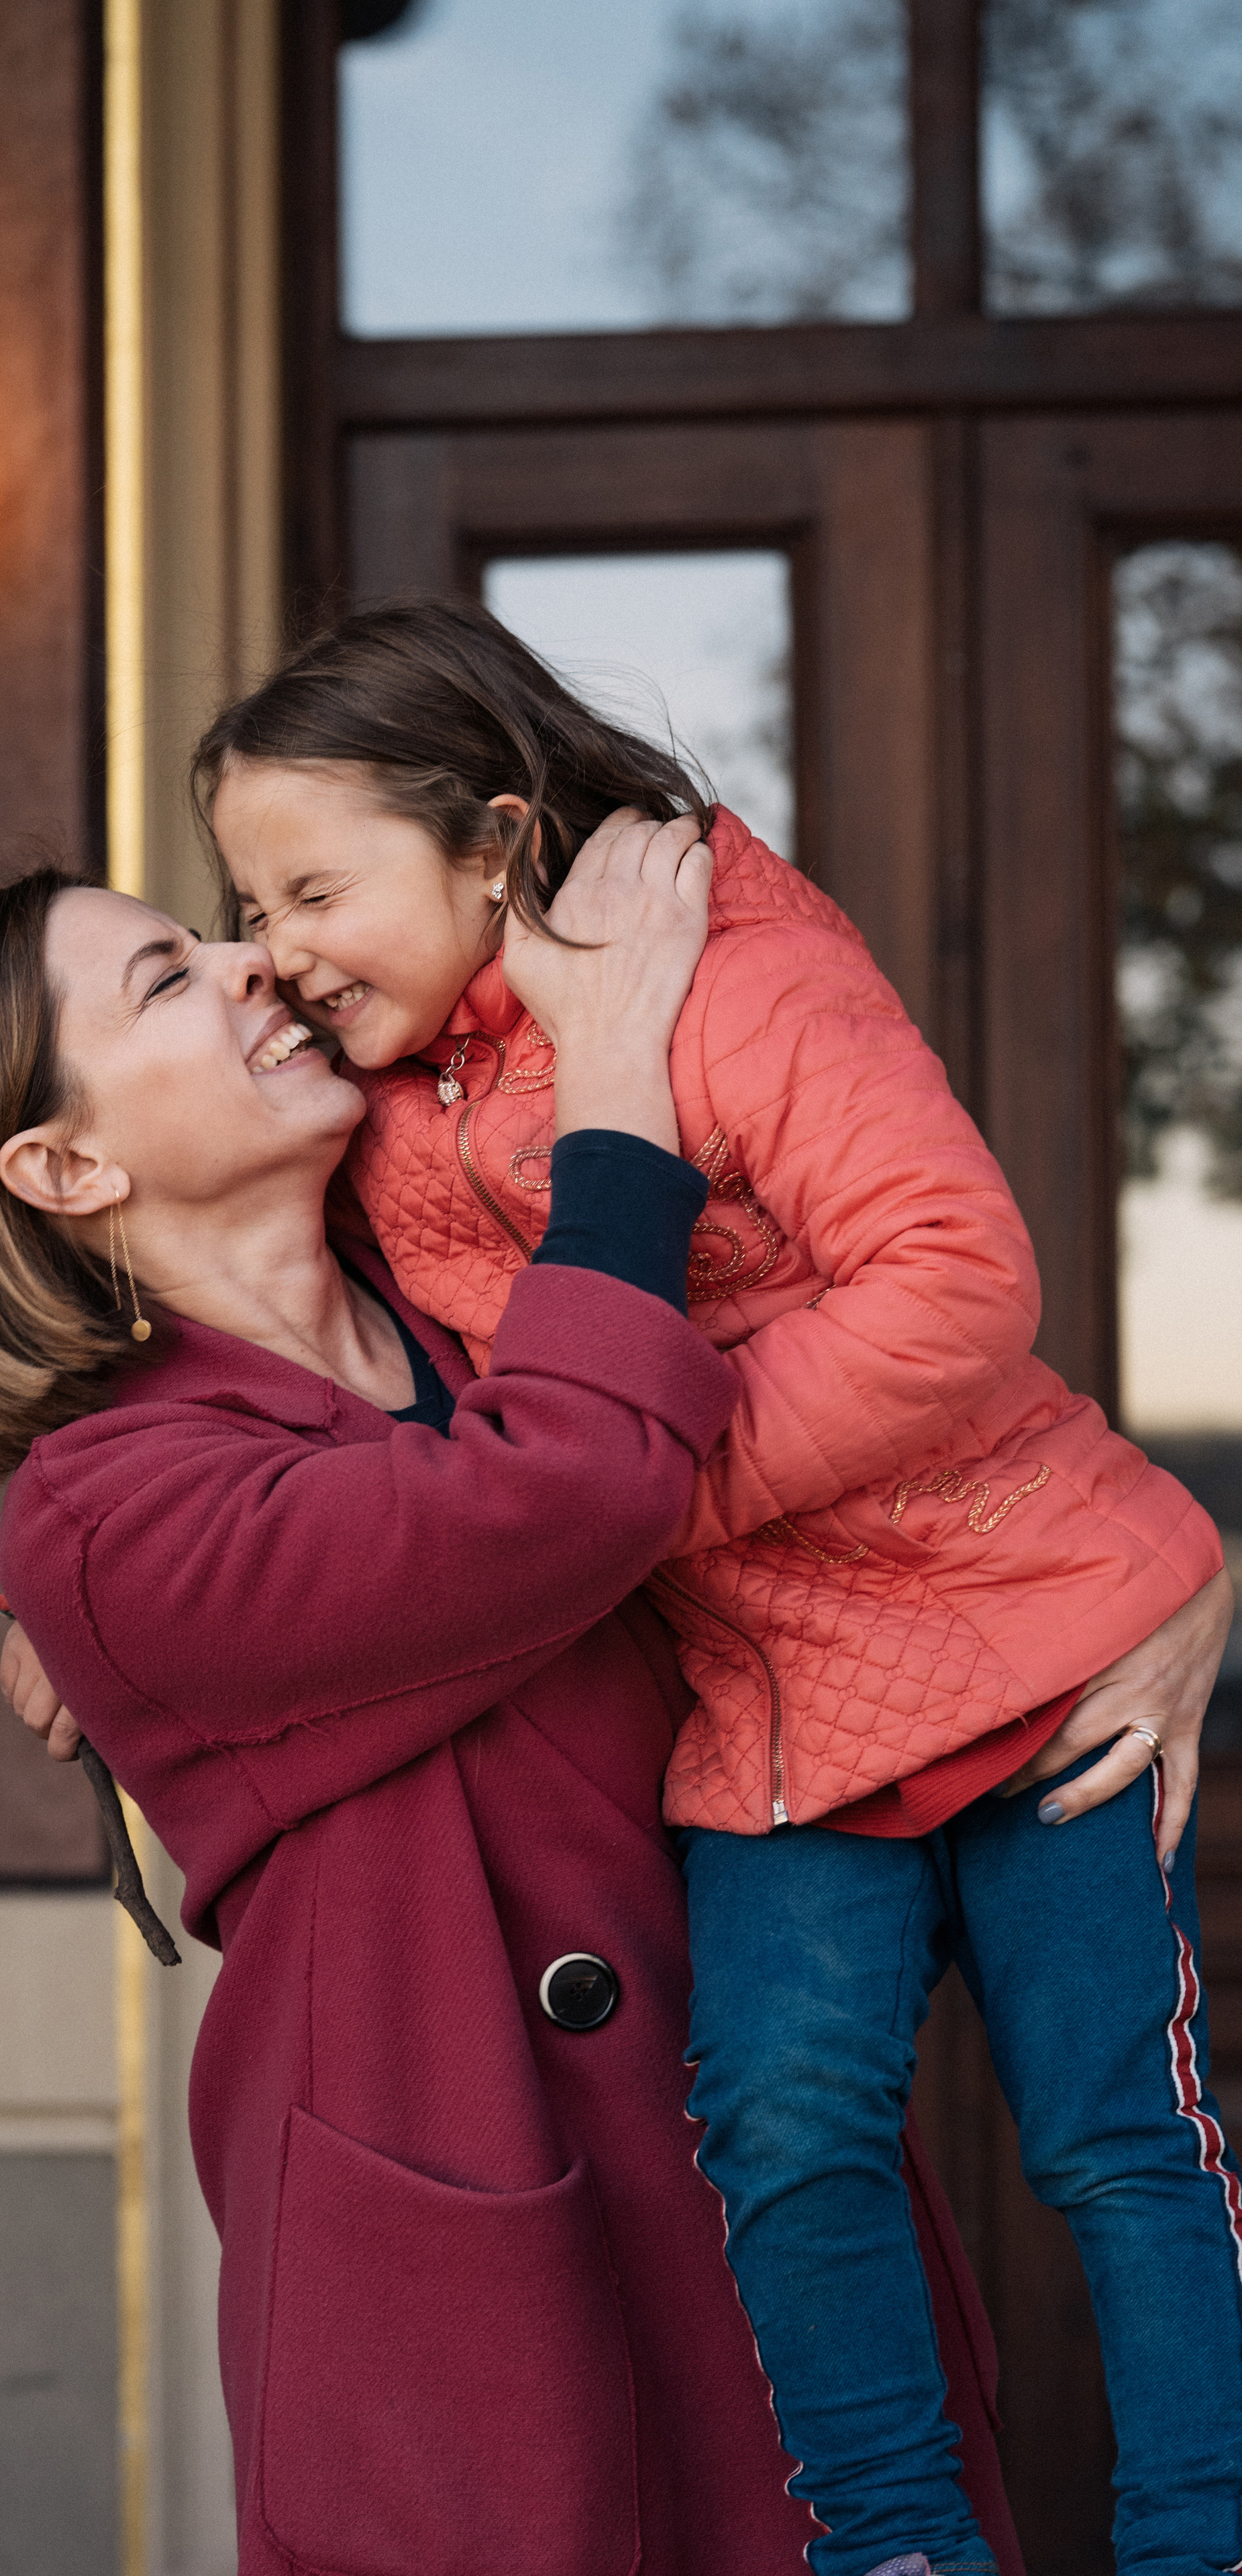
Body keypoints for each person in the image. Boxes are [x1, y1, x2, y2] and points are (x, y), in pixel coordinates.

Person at [0, 830, 1024, 2576]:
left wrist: (1171, 1587)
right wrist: (617, 1074)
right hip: (476, 2294)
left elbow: (880, 1457)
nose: (249, 960)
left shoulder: (481, 1295)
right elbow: (558, 1493)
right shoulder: (102, 1514)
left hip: (766, 2219)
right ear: (65, 1163)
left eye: (218, 933)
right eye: (169, 976)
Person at [191, 598, 1239, 2576]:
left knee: (1118, 2136)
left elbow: (953, 1281)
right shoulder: (376, 1124)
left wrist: (621, 1497)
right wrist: (36, 1607)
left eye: (312, 886)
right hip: (771, 1721)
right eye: (250, 905)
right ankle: (896, 2547)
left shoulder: (731, 970)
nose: (276, 949)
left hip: (1038, 1656)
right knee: (780, 2128)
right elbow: (224, 1348)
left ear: (493, 844)